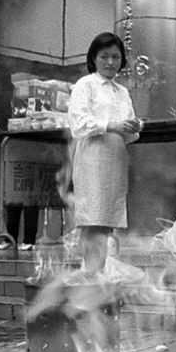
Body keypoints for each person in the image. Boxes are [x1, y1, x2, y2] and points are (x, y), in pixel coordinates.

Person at [67, 32, 142, 272]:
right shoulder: (85, 85)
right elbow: (78, 122)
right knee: (93, 218)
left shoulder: (122, 92)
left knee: (108, 219)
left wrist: (133, 127)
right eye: (104, 56)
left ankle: (98, 272)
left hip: (116, 158)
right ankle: (90, 273)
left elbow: (129, 131)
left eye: (116, 57)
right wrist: (110, 125)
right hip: (93, 157)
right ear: (94, 58)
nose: (110, 62)